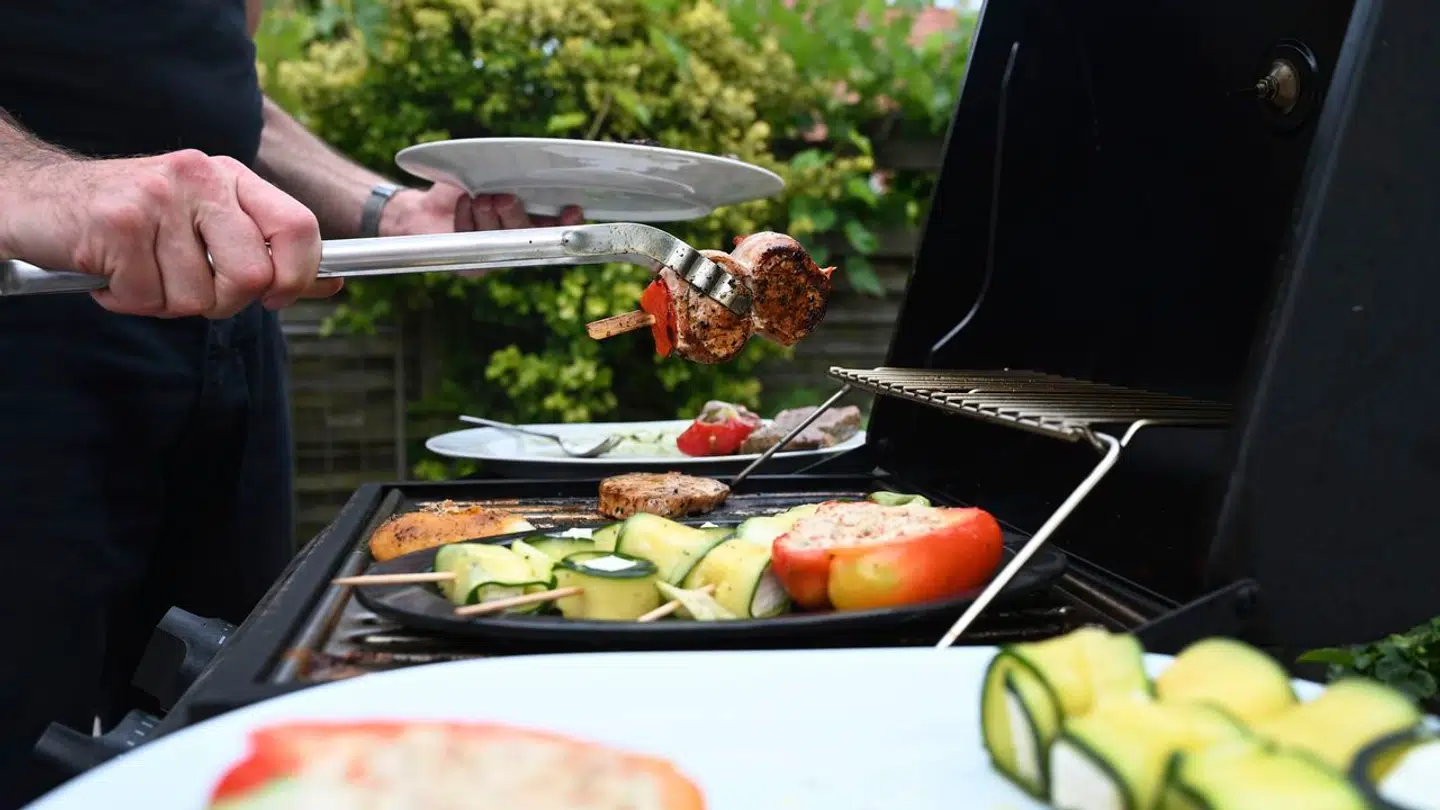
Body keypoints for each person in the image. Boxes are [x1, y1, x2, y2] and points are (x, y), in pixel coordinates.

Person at [0, 1, 581, 805]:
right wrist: (33, 186)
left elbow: (220, 82)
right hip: (30, 316)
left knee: (230, 718)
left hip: (225, 323)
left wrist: (386, 209)